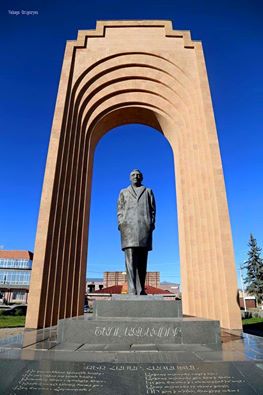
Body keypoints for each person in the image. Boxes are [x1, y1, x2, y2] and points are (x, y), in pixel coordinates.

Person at [117, 169, 156, 295]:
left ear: (142, 177)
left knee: (143, 260)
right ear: (130, 178)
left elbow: (153, 210)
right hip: (128, 228)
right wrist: (121, 223)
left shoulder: (148, 191)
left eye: (138, 175)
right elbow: (120, 209)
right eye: (133, 175)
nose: (136, 176)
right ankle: (132, 288)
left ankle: (141, 289)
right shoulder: (124, 191)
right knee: (130, 259)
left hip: (144, 228)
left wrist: (151, 223)